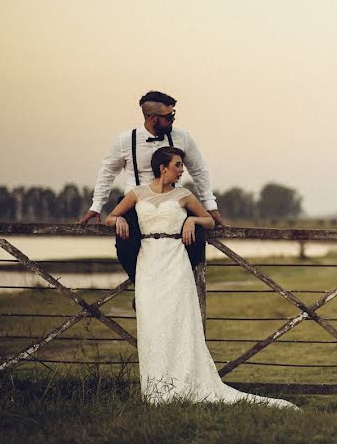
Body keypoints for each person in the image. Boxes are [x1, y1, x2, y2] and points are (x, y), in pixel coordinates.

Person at [106, 146, 297, 408]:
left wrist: (191, 222)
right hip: (148, 262)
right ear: (163, 167)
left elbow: (208, 220)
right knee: (152, 324)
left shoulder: (183, 195)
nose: (181, 169)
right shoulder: (137, 193)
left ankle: (183, 383)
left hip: (175, 260)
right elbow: (110, 216)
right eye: (177, 165)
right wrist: (119, 221)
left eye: (182, 165)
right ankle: (155, 390)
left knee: (178, 321)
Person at [78, 91, 225, 281]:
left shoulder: (183, 137)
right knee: (125, 246)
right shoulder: (126, 140)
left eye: (174, 114)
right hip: (135, 203)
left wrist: (210, 205)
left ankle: (178, 283)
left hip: (174, 202)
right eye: (169, 116)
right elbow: (107, 172)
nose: (173, 119)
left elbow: (199, 170)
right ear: (153, 118)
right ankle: (142, 286)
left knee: (196, 240)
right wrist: (96, 206)